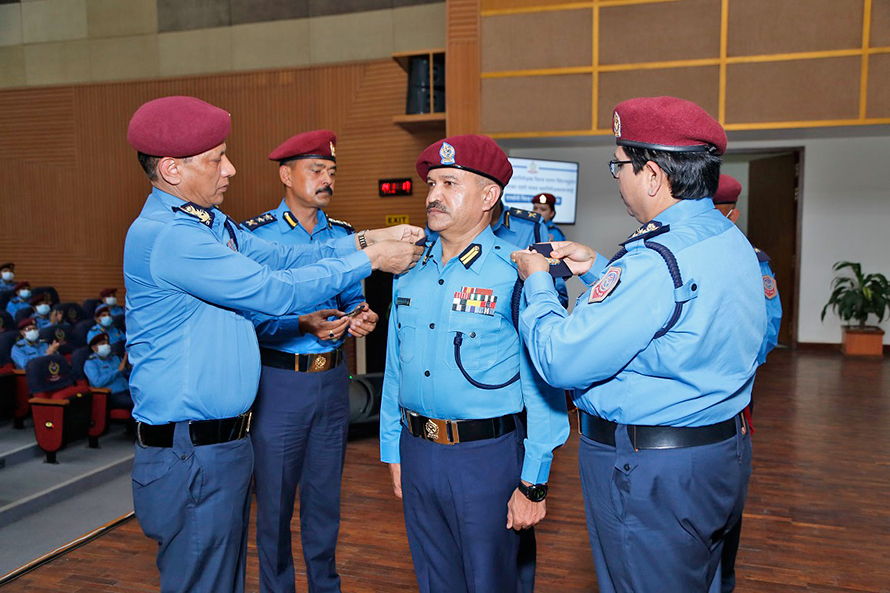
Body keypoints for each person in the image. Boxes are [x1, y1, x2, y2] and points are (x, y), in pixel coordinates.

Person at [123, 95, 423, 593]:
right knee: (204, 580)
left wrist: (364, 238)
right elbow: (276, 292)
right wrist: (370, 260)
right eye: (217, 159)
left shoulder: (212, 226)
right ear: (173, 169)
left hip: (220, 444)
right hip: (190, 449)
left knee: (224, 578)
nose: (231, 169)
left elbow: (283, 257)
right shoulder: (171, 237)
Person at [512, 96, 767, 592]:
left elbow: (560, 359)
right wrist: (604, 270)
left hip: (652, 475)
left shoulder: (653, 261)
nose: (619, 177)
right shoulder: (723, 235)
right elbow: (677, 315)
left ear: (652, 176)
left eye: (620, 165)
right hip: (719, 454)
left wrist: (539, 282)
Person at [381, 134, 569, 593]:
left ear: (489, 196)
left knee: (493, 581)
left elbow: (544, 383)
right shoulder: (410, 269)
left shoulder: (519, 272)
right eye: (431, 183)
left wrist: (534, 481)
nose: (433, 195)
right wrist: (393, 448)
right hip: (417, 450)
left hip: (486, 458)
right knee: (434, 580)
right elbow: (393, 368)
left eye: (450, 182)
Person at [242, 130, 379, 593]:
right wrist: (301, 324)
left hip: (331, 383)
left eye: (332, 172)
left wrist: (362, 317)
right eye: (316, 170)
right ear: (286, 174)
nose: (326, 180)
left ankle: (326, 586)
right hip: (281, 384)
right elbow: (250, 319)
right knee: (276, 505)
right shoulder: (254, 237)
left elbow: (353, 298)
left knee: (325, 503)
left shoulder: (344, 236)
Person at [713, 173, 782, 593]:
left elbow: (767, 333)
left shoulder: (752, 262)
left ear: (733, 215)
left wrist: (724, 367)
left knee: (723, 507)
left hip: (730, 400)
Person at [84, 332, 133, 411]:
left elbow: (125, 374)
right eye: (103, 344)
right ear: (94, 348)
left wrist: (127, 366)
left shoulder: (114, 357)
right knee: (136, 404)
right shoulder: (91, 363)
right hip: (112, 395)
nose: (107, 346)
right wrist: (117, 371)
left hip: (127, 390)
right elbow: (97, 382)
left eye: (107, 343)